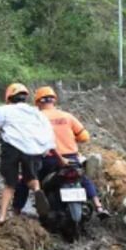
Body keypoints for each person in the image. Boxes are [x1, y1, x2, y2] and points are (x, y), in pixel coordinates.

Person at [0, 82, 57, 225]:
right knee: (32, 178)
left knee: (10, 184)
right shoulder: (36, 112)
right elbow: (48, 133)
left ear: (9, 98)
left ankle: (2, 216)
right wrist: (45, 149)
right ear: (25, 98)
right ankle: (37, 190)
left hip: (11, 148)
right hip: (32, 149)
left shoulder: (2, 110)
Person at [33, 86, 108, 215]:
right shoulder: (67, 116)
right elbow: (85, 137)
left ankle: (43, 210)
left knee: (37, 179)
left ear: (38, 102)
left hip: (49, 159)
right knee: (83, 178)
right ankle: (98, 205)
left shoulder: (36, 118)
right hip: (71, 158)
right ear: (54, 101)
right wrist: (70, 139)